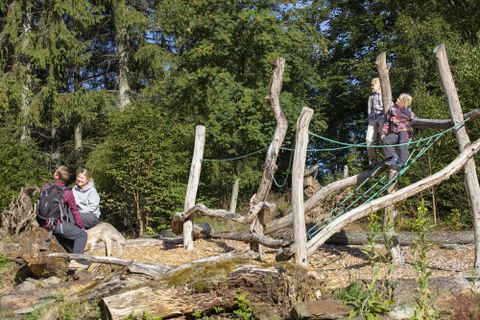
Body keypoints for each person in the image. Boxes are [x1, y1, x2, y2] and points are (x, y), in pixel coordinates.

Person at [39, 166, 88, 270]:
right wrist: (81, 227)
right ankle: (76, 261)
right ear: (66, 179)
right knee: (82, 235)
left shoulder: (45, 186)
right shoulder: (67, 192)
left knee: (69, 232)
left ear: (56, 175)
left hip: (42, 221)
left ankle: (74, 256)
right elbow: (75, 212)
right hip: (54, 224)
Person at [381, 93, 415, 169]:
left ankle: (403, 162)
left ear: (403, 102)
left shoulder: (407, 111)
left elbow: (413, 117)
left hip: (404, 131)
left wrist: (412, 118)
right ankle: (393, 157)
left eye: (399, 99)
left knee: (402, 144)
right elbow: (387, 121)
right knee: (385, 140)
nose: (397, 99)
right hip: (395, 132)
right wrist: (383, 132)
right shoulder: (392, 109)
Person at [366, 78, 384, 167]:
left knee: (383, 136)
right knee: (368, 139)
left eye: (373, 85)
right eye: (371, 85)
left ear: (379, 85)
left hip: (382, 117)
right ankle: (372, 159)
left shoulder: (385, 95)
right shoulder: (371, 97)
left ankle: (389, 155)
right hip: (373, 118)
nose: (371, 87)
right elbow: (369, 109)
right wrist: (370, 117)